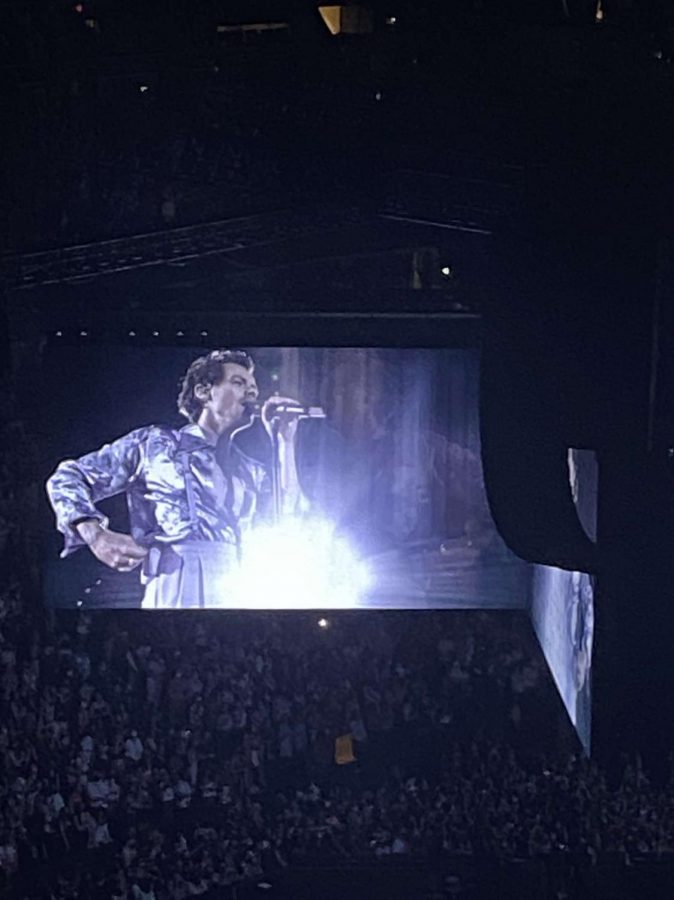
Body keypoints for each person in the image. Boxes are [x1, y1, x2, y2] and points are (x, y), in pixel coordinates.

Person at [46, 349, 305, 608]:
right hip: (176, 576)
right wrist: (96, 535)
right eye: (238, 383)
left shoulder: (249, 469)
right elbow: (69, 476)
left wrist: (285, 442)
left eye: (253, 388)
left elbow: (290, 515)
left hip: (236, 582)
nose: (251, 393)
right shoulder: (156, 444)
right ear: (204, 392)